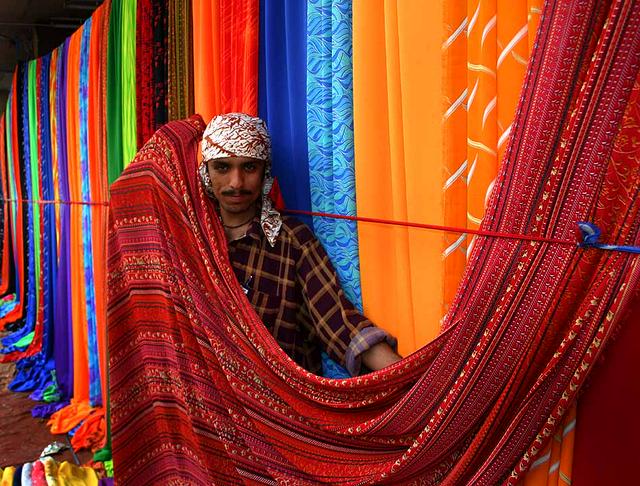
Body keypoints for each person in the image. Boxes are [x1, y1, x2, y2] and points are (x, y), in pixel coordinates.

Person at [199, 112, 401, 375]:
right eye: (222, 167)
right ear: (206, 172)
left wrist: (413, 385)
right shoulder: (191, 239)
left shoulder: (291, 240)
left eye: (249, 167)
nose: (236, 183)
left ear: (264, 173)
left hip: (278, 407)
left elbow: (338, 322)